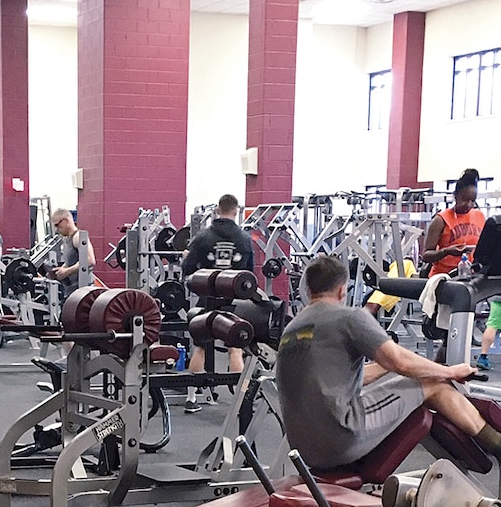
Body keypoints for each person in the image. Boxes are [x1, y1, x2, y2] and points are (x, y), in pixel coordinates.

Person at [275, 255, 501, 470]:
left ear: (308, 289)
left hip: (304, 449)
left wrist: (386, 364)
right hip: (341, 438)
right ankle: (497, 444)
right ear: (343, 290)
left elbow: (350, 377)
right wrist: (450, 371)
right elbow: (400, 362)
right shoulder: (349, 317)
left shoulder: (292, 329)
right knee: (432, 383)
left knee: (419, 378)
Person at [181, 193, 254, 413]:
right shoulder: (244, 239)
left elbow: (187, 270)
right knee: (236, 349)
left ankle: (192, 399)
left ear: (217, 210)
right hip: (235, 302)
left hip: (208, 299)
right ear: (237, 210)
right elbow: (248, 276)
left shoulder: (203, 237)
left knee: (200, 347)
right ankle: (240, 403)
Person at [422, 168, 485, 276]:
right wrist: (447, 251)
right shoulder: (440, 220)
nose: (469, 204)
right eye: (465, 200)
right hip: (444, 277)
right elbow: (426, 256)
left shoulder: (479, 216)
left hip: (469, 275)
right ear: (455, 196)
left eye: (472, 200)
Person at [51, 208, 96, 299]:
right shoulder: (67, 239)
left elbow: (90, 260)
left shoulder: (78, 237)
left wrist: (67, 272)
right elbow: (72, 261)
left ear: (66, 221)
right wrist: (62, 269)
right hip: (72, 291)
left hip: (83, 292)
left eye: (57, 225)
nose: (57, 229)